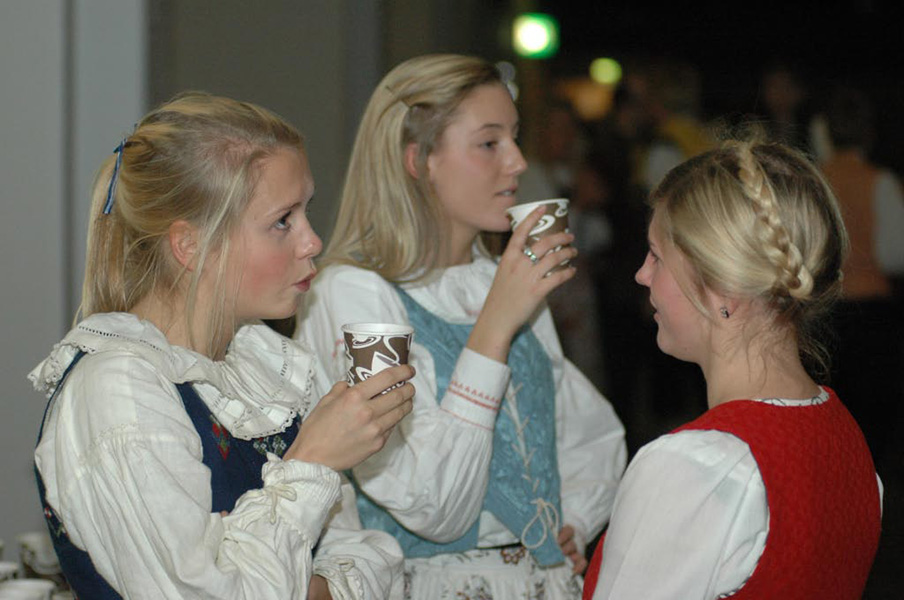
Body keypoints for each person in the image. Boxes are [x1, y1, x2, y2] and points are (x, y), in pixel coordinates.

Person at [31, 92, 416, 599]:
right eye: (283, 220)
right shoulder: (118, 391)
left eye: (306, 212)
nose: (313, 242)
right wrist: (313, 462)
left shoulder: (266, 366)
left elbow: (366, 553)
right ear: (192, 246)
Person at [298, 54, 626, 599]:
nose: (518, 162)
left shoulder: (497, 279)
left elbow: (590, 433)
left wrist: (573, 519)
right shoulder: (354, 294)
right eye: (489, 142)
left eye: (515, 138)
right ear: (418, 160)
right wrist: (493, 327)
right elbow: (435, 506)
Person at [583, 138, 882, 599]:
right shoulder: (847, 438)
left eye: (657, 256)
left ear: (722, 289)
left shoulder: (695, 469)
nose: (642, 274)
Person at [819, 87, 904, 474]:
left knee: (829, 413)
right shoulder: (879, 181)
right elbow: (894, 254)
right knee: (872, 419)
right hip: (872, 313)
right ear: (869, 133)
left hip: (822, 313)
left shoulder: (814, 180)